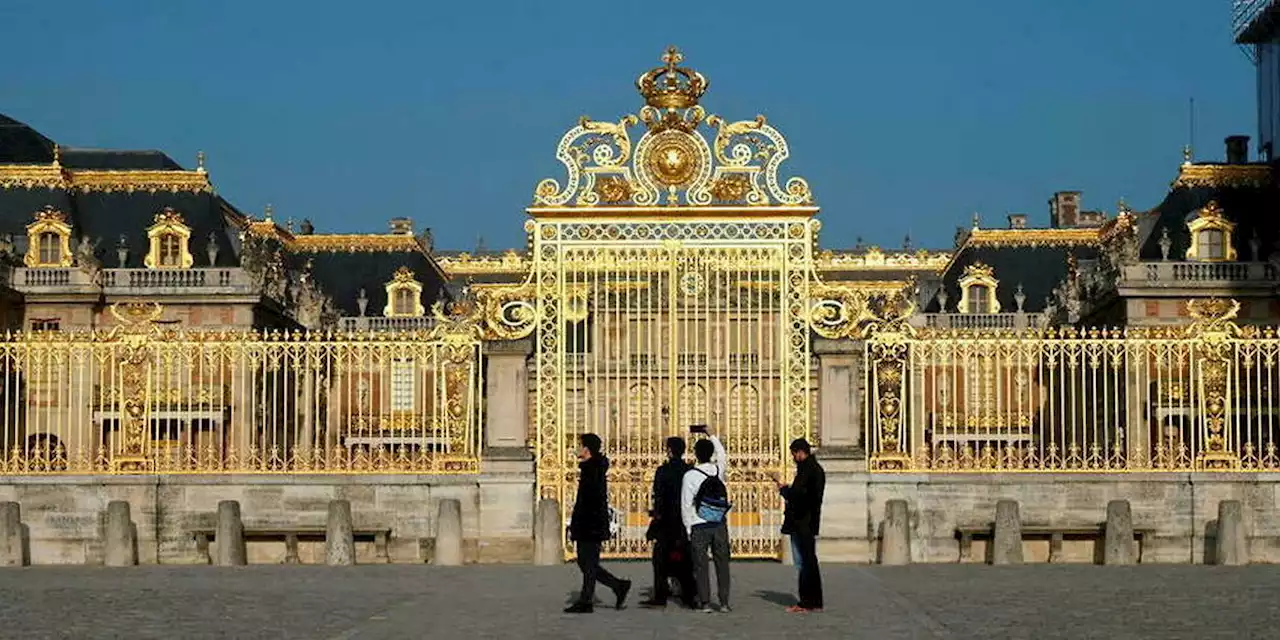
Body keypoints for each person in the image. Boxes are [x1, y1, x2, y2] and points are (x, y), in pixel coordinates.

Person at [564, 433, 631, 614]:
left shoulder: (591, 469)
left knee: (587, 562)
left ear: (587, 449)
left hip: (590, 523)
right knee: (587, 562)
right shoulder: (591, 467)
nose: (576, 448)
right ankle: (617, 585)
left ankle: (587, 601)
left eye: (579, 445)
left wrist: (580, 524)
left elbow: (590, 500)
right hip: (591, 522)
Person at [640, 436, 696, 608]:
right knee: (685, 558)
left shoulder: (662, 471)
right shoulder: (689, 470)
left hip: (666, 521)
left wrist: (656, 515)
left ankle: (661, 595)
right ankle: (689, 595)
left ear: (669, 450)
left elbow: (659, 496)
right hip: (684, 520)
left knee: (660, 559)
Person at [680, 426, 731, 613]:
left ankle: (705, 602)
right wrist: (711, 434)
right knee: (722, 564)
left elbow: (686, 505)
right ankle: (724, 603)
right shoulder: (718, 470)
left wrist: (688, 528)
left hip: (698, 524)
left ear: (695, 454)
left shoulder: (690, 475)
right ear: (711, 454)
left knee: (701, 566)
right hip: (718, 522)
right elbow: (722, 453)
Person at [776, 438, 826, 613]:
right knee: (809, 561)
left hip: (802, 521)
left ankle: (806, 602)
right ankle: (815, 600)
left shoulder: (807, 470)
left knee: (804, 563)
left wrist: (784, 489)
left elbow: (799, 496)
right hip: (809, 521)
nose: (793, 457)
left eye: (793, 454)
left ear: (800, 452)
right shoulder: (815, 469)